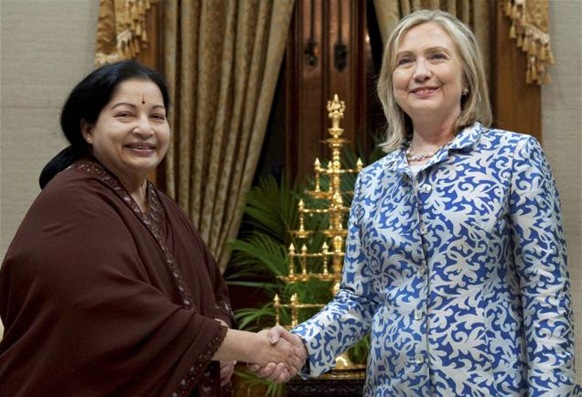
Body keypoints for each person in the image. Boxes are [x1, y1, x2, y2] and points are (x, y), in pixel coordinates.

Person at [254, 9, 577, 396]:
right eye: (405, 62)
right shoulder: (373, 181)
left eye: (437, 56)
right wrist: (300, 345)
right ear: (392, 84)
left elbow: (546, 295)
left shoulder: (515, 157)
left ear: (467, 78)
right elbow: (358, 301)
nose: (420, 72)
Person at [0, 60, 301, 397]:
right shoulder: (70, 201)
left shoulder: (160, 205)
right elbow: (111, 311)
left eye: (157, 116)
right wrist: (246, 346)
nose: (145, 129)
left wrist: (219, 337)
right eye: (125, 115)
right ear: (88, 129)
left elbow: (210, 289)